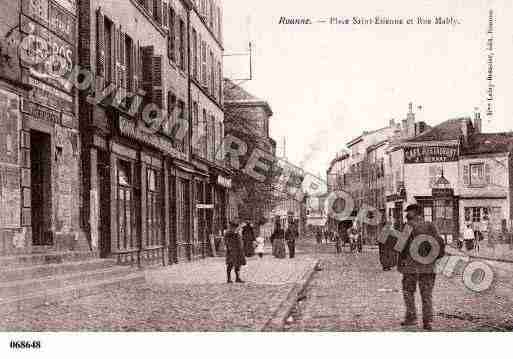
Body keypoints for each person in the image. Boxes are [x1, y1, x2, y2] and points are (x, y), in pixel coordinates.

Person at [398, 203, 445, 331]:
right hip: (428, 267)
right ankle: (427, 321)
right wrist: (433, 259)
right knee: (427, 294)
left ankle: (411, 318)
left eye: (409, 212)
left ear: (415, 213)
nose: (406, 214)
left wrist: (401, 262)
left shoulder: (408, 226)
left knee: (408, 292)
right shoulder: (430, 225)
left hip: (411, 267)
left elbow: (400, 246)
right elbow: (440, 243)